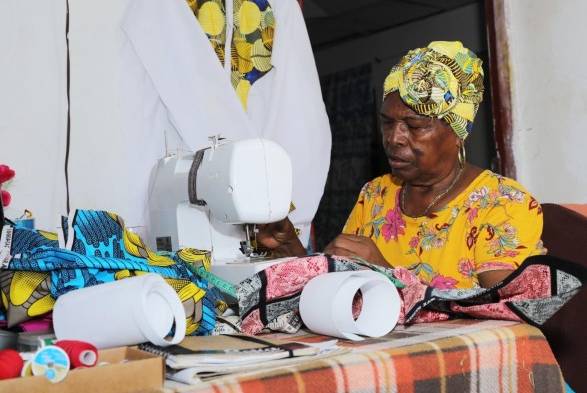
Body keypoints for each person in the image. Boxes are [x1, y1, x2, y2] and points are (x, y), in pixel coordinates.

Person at [257, 41, 545, 289]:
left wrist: (388, 275)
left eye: (415, 125)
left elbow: (503, 314)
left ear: (458, 133)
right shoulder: (375, 195)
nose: (394, 138)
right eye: (387, 123)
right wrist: (291, 250)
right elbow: (343, 282)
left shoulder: (503, 204)